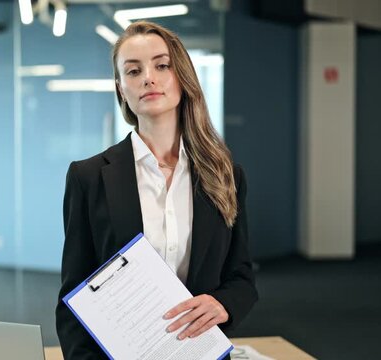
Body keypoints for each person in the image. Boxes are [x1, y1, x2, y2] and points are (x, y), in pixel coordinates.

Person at [56, 20, 258, 359]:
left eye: (161, 65)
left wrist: (223, 304)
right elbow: (74, 296)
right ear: (120, 88)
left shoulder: (225, 175)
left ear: (181, 76)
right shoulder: (88, 177)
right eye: (133, 71)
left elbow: (241, 277)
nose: (148, 77)